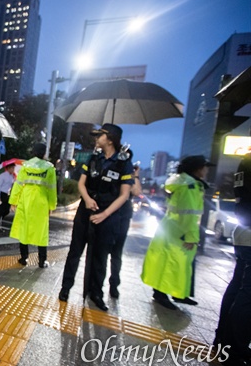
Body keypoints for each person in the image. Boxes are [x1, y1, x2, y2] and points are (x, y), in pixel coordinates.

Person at [58, 123, 134, 312]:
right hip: (85, 212)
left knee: (100, 257)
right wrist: (87, 199)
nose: (96, 138)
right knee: (75, 251)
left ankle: (96, 294)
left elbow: (124, 195)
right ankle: (65, 288)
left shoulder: (124, 162)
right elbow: (82, 184)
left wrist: (105, 214)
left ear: (110, 139)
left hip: (108, 216)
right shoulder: (93, 158)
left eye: (100, 135)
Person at [140, 155, 212, 310]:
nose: (207, 170)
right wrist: (192, 237)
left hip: (171, 227)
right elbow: (189, 214)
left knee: (171, 262)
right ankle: (162, 294)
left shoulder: (182, 182)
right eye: (205, 167)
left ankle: (177, 293)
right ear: (198, 169)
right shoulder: (190, 186)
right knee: (172, 263)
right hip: (181, 232)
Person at [214, 152, 251, 366]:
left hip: (244, 231)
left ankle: (223, 343)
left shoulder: (246, 159)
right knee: (247, 294)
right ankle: (235, 351)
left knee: (238, 288)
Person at [8, 143, 57, 267]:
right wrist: (52, 206)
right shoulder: (49, 168)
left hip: (26, 199)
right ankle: (42, 261)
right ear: (44, 153)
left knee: (24, 228)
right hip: (42, 201)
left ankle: (24, 258)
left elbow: (18, 184)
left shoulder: (25, 166)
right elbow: (52, 189)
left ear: (33, 152)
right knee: (42, 231)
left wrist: (13, 201)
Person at [108, 150, 142, 298]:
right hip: (108, 213)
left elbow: (136, 191)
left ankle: (114, 284)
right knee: (101, 252)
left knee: (116, 252)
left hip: (123, 216)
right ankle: (95, 285)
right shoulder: (109, 167)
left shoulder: (129, 172)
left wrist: (135, 174)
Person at [0, 162, 16, 230]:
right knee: (0, 210)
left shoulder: (13, 176)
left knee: (7, 211)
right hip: (1, 194)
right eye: (12, 168)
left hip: (7, 195)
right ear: (8, 168)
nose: (13, 169)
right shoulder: (2, 175)